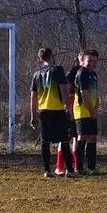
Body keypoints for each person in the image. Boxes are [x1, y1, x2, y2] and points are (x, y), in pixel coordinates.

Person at [29, 46, 74, 177]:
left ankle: (47, 170)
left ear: (40, 59)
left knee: (45, 141)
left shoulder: (36, 74)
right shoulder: (58, 70)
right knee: (64, 140)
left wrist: (33, 115)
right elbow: (63, 91)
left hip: (43, 111)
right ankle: (70, 170)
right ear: (51, 56)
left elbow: (33, 96)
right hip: (57, 110)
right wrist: (68, 108)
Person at [70, 49, 101, 174]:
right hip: (83, 110)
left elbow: (95, 93)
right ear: (83, 60)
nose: (92, 64)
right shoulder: (81, 73)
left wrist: (97, 106)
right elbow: (84, 94)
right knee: (82, 137)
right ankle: (79, 167)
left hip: (92, 110)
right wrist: (92, 110)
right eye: (90, 61)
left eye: (94, 61)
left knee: (92, 138)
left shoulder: (93, 74)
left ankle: (92, 168)